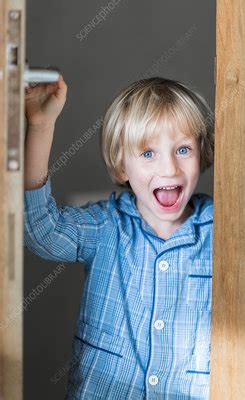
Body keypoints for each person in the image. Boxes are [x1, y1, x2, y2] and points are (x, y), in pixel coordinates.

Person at [24, 75, 214, 399]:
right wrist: (41, 125)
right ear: (122, 166)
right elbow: (41, 229)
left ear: (203, 153)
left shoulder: (224, 234)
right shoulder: (105, 227)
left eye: (183, 149)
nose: (169, 168)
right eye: (148, 153)